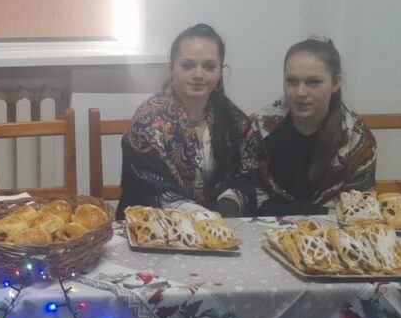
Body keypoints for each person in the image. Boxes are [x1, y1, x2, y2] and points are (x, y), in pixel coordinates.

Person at [115, 24, 262, 220]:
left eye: (209, 67)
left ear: (220, 72)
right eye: (187, 66)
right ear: (172, 70)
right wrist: (201, 216)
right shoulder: (148, 122)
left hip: (222, 224)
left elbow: (247, 177)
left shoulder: (235, 121)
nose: (198, 75)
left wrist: (230, 201)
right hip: (155, 226)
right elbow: (147, 189)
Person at [254, 36, 376, 216]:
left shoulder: (357, 138)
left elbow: (360, 207)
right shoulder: (259, 127)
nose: (300, 92)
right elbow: (250, 192)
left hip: (335, 229)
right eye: (292, 81)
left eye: (313, 82)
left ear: (336, 83)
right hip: (266, 227)